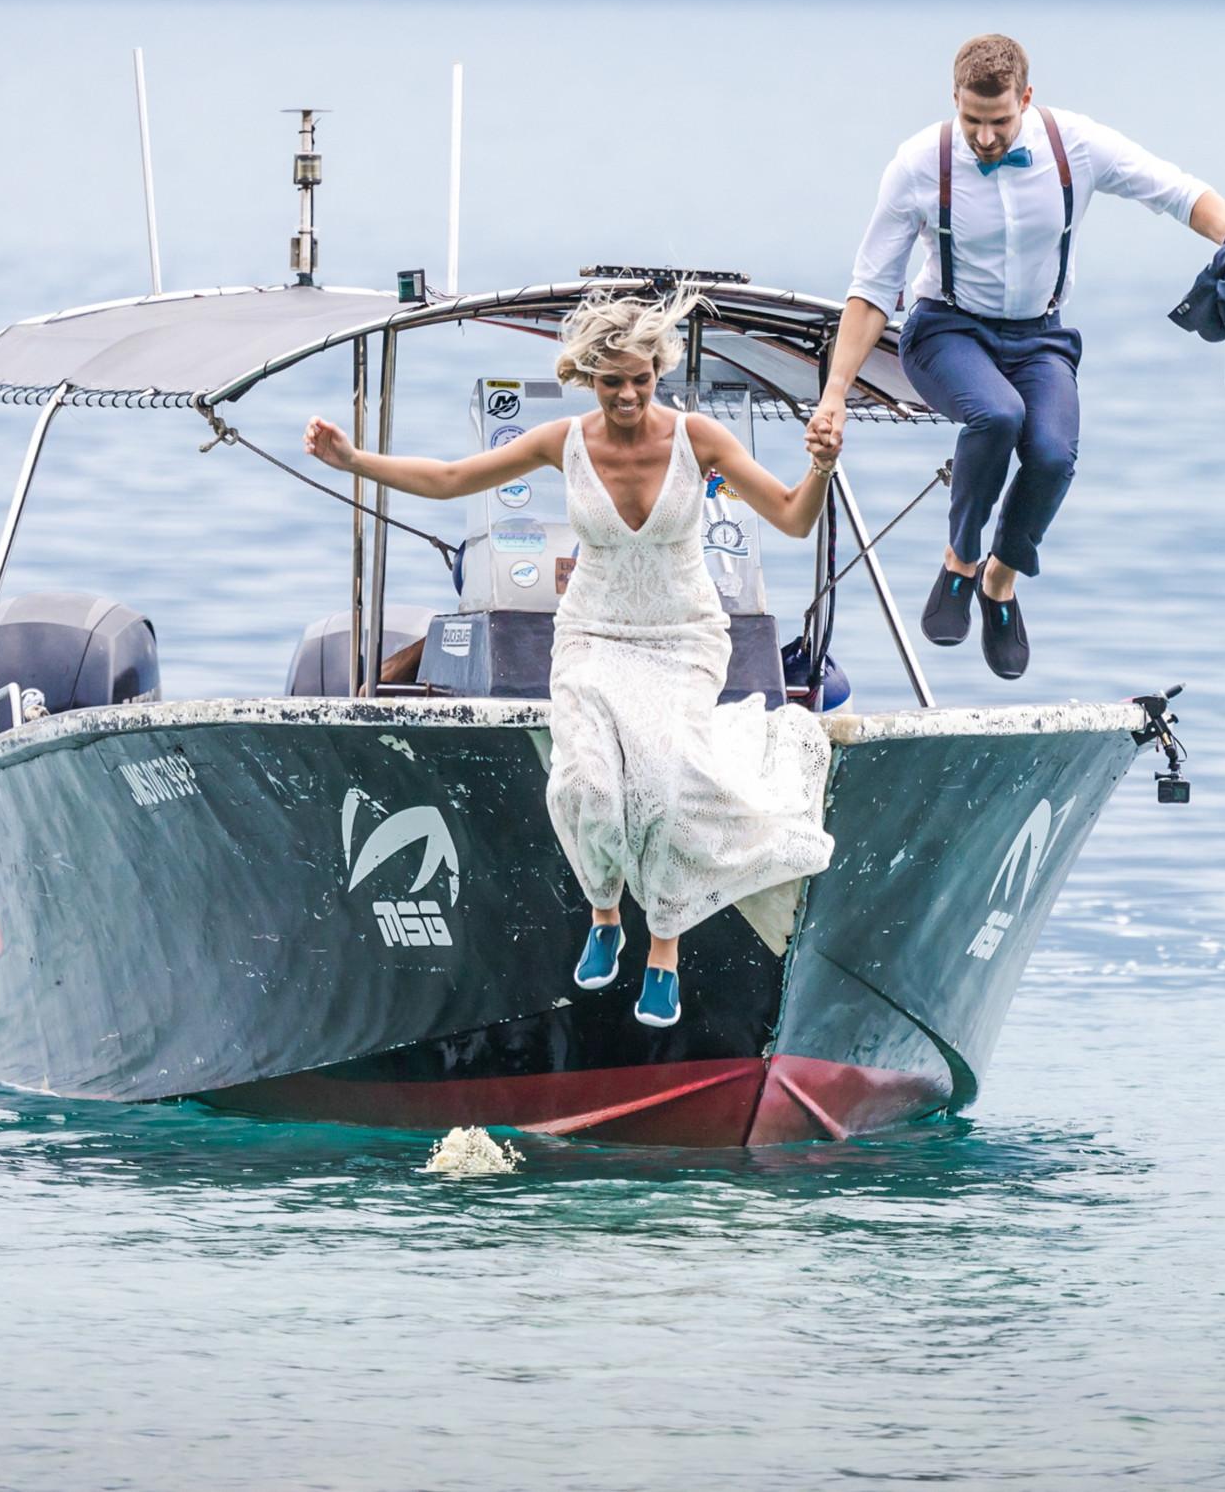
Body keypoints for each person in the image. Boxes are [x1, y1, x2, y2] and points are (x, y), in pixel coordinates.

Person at [304, 288, 841, 1029]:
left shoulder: (700, 439)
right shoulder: (565, 441)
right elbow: (453, 478)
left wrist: (818, 467)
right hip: (593, 633)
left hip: (683, 636)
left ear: (659, 370)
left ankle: (663, 950)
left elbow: (790, 514)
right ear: (588, 376)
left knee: (668, 778)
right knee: (588, 778)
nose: (627, 394)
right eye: (611, 380)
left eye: (640, 378)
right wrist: (353, 460)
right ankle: (605, 914)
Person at [811, 33, 1225, 678]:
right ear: (954, 100)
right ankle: (960, 560)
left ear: (1028, 99)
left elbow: (1178, 193)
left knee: (1052, 452)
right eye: (972, 121)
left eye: (1001, 121)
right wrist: (836, 395)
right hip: (944, 330)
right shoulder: (918, 164)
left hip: (1040, 336)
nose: (985, 138)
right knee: (997, 416)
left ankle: (999, 581)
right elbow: (872, 289)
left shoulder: (1077, 145)